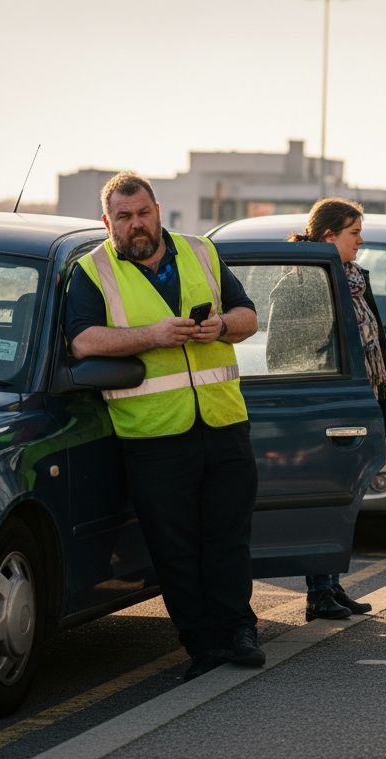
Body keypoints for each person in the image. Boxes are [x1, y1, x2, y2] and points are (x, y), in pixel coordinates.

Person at [65, 172, 263, 680]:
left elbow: (248, 317)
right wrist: (152, 335)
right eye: (124, 218)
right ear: (106, 222)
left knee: (229, 538)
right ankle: (202, 645)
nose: (136, 225)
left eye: (143, 213)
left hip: (223, 422)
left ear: (159, 211)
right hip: (152, 435)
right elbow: (83, 342)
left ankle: (239, 630)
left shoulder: (201, 252)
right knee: (175, 549)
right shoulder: (92, 271)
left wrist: (219, 325)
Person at [283, 197, 386, 621]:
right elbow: (286, 353)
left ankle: (331, 585)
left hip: (356, 403)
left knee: (344, 499)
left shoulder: (351, 277)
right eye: (354, 232)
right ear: (329, 235)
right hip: (321, 408)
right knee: (323, 498)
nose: (361, 240)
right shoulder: (300, 282)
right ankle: (318, 594)